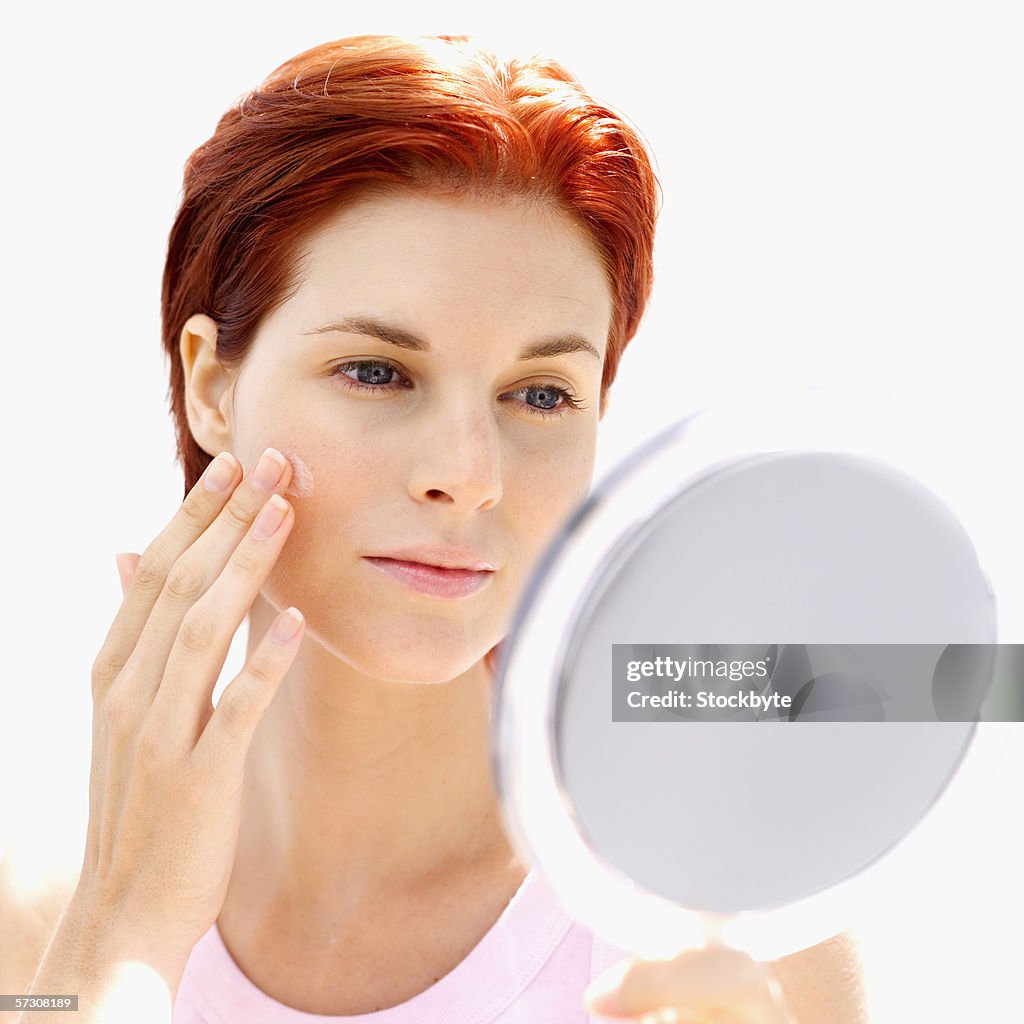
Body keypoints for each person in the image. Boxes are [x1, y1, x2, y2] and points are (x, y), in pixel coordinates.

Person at [6, 34, 866, 1023]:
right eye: (376, 371)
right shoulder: (46, 919)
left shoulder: (725, 917)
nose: (467, 474)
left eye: (540, 393)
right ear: (211, 385)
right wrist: (119, 939)